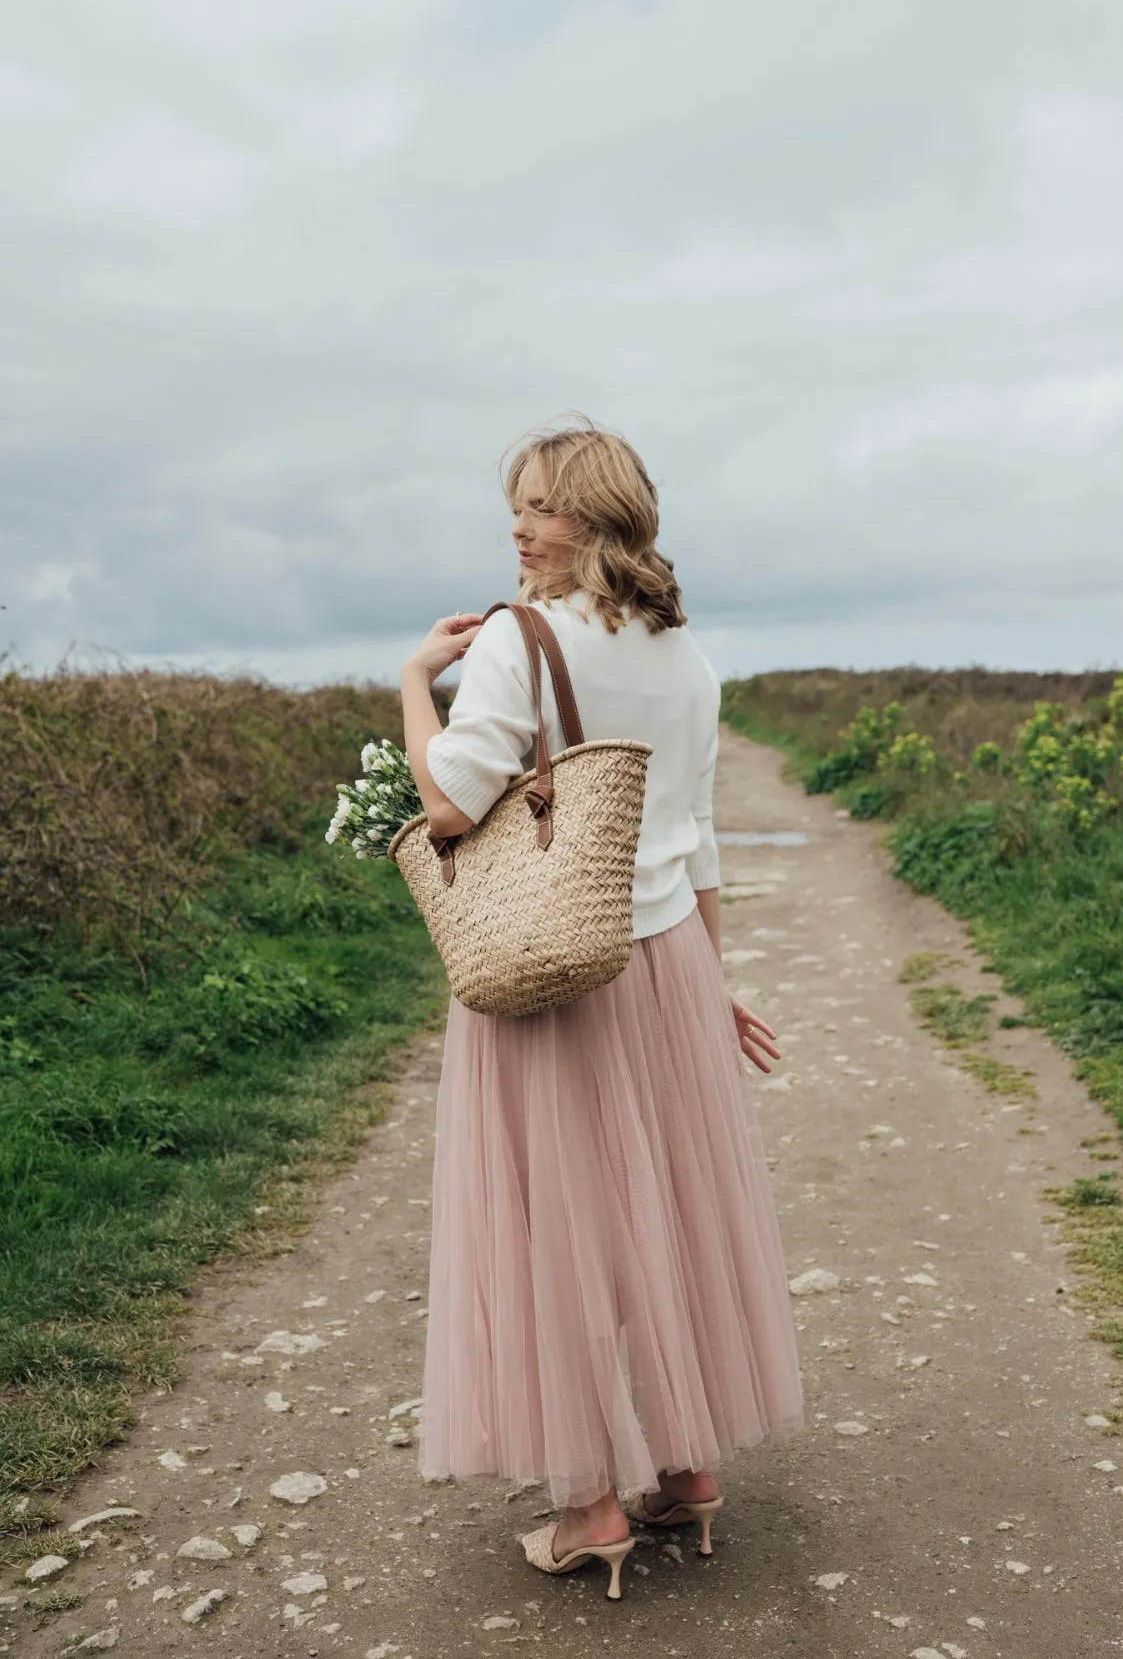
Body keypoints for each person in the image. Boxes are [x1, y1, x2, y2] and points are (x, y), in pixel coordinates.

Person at [397, 418, 803, 1600]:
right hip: (667, 960)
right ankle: (686, 1472)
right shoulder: (686, 656)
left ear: (597, 515)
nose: (518, 527)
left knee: (559, 1224)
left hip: (559, 969)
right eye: (513, 507)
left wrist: (416, 681)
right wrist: (711, 984)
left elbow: (450, 802)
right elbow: (700, 837)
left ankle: (587, 1506)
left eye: (541, 506)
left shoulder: (522, 639)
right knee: (666, 1209)